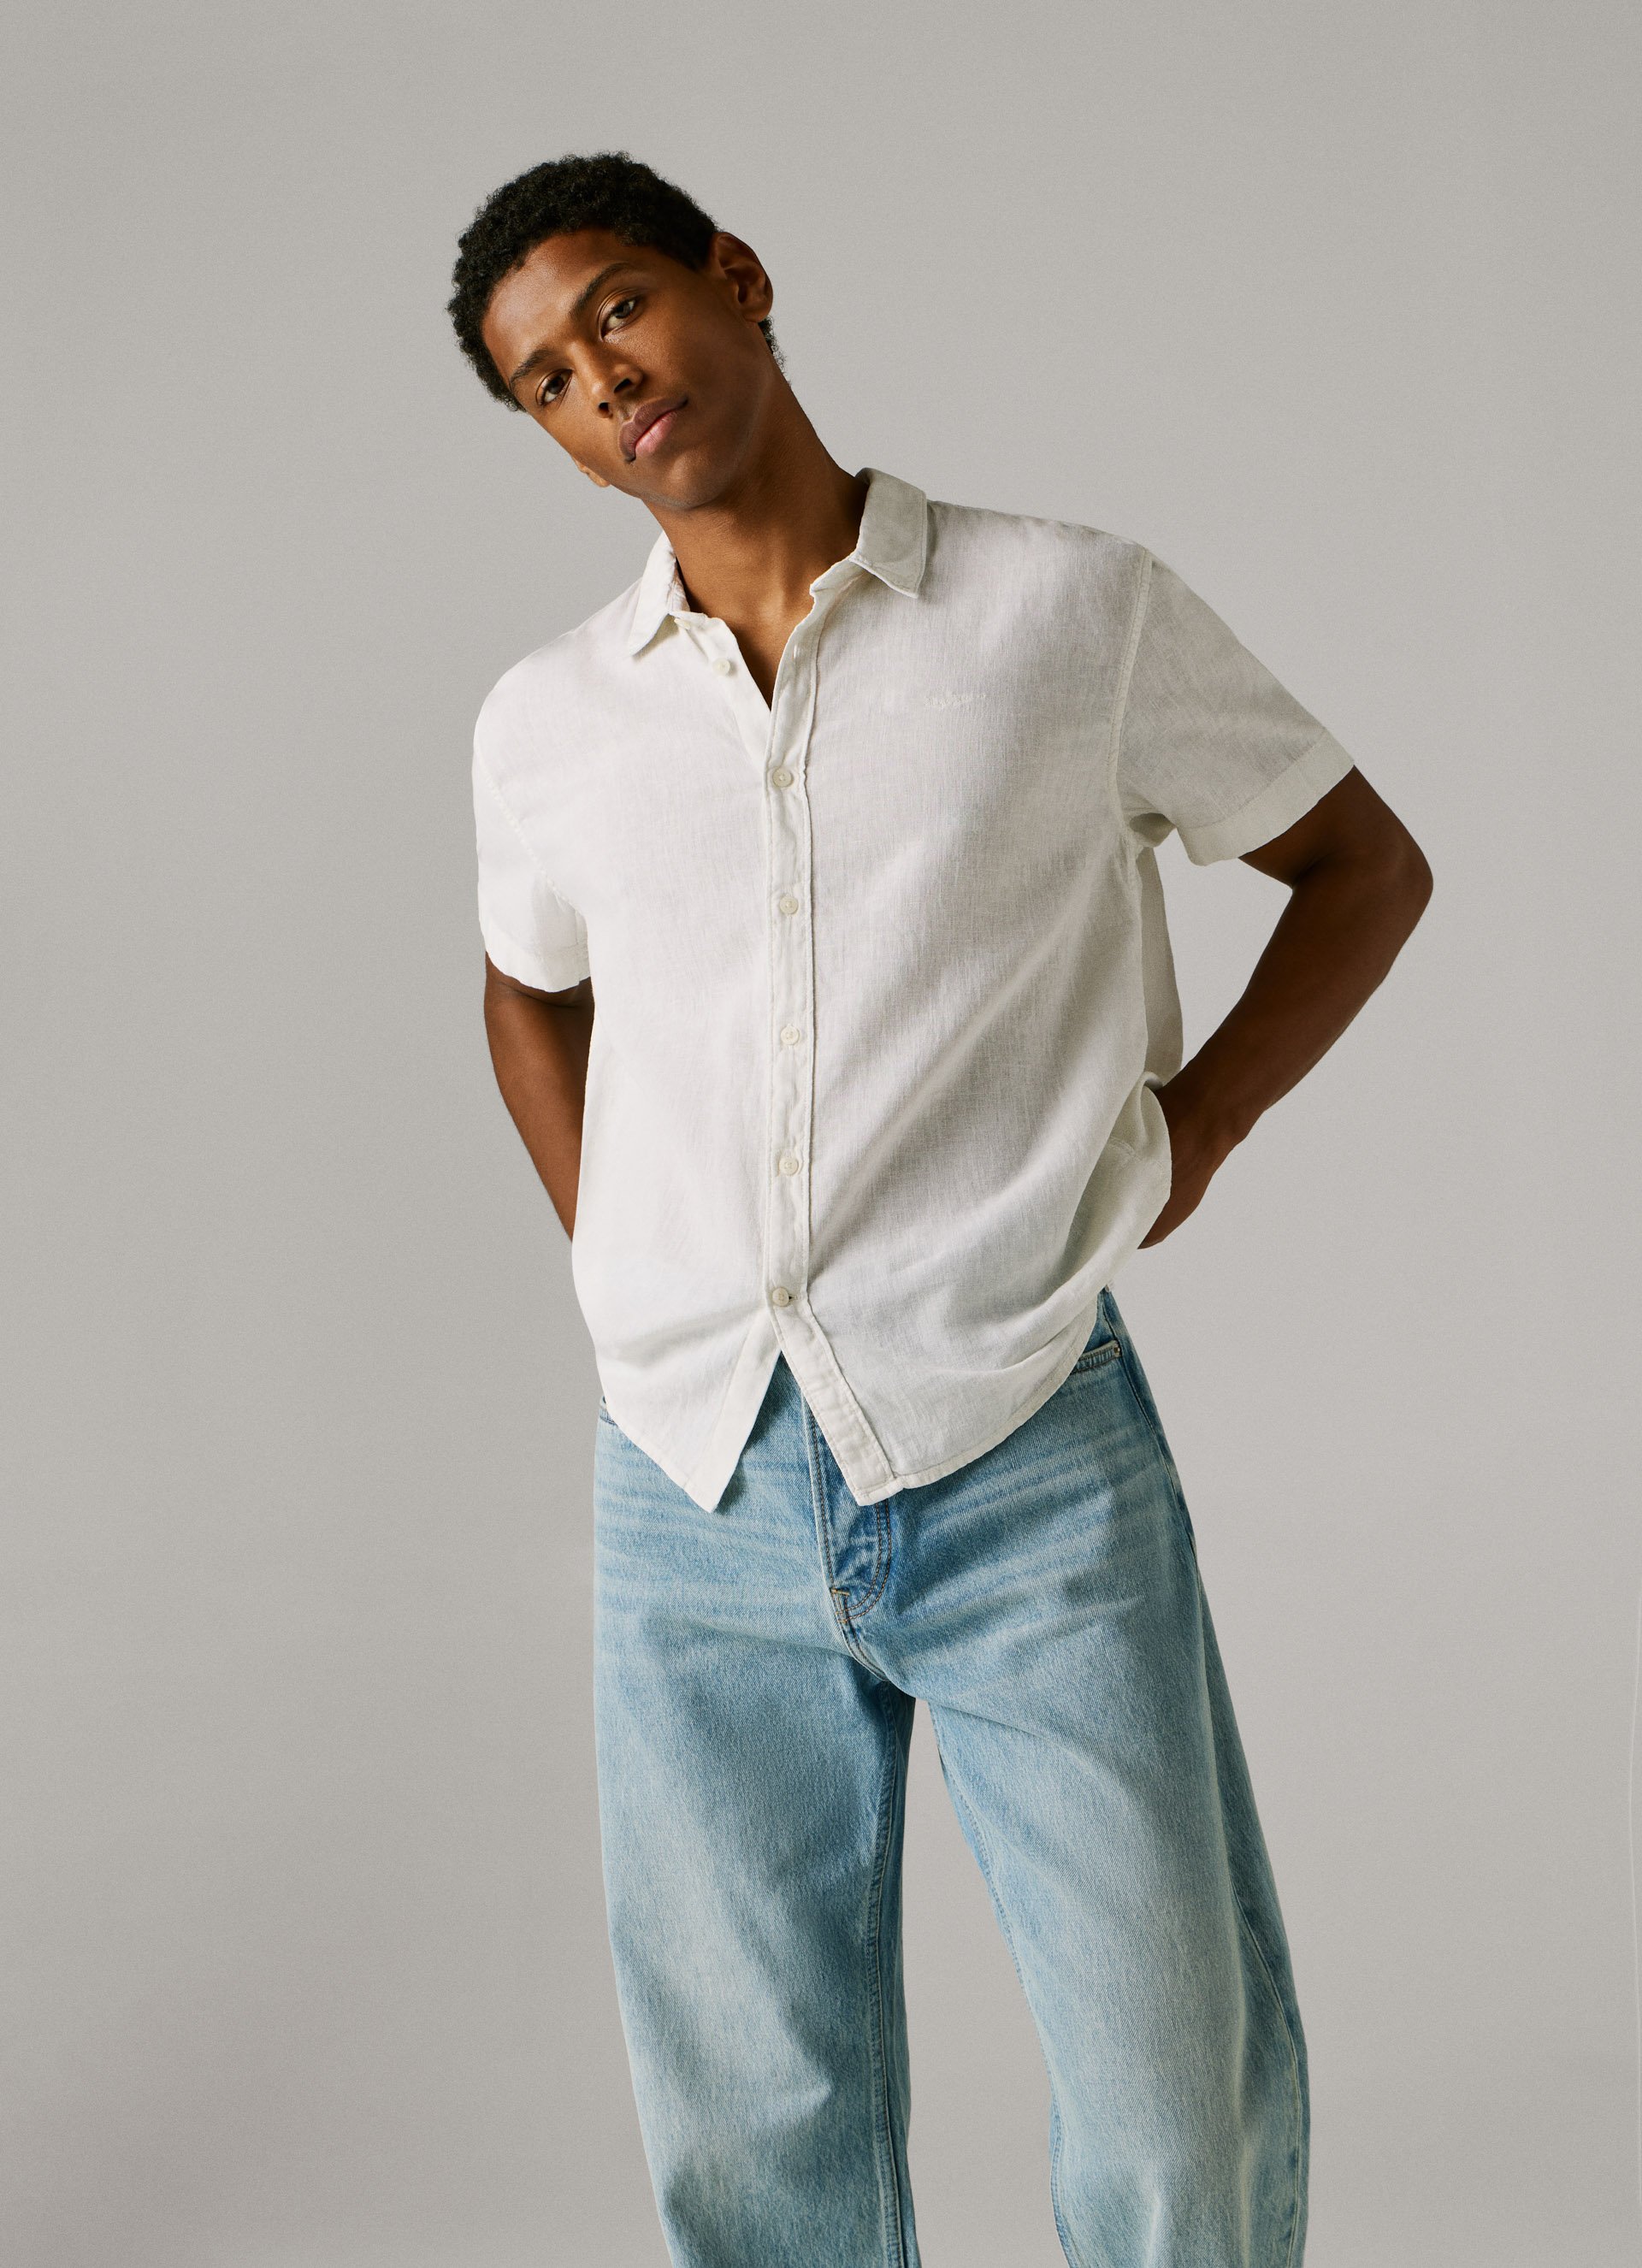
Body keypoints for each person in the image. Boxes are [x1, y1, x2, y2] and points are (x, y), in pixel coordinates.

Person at [446, 150, 1432, 2268]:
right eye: (545, 381)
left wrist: (1201, 1127)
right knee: (757, 2125)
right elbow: (529, 996)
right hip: (690, 1483)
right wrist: (626, 1253)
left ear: (735, 276)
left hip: (1020, 1437)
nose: (602, 381)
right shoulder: (548, 723)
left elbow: (1361, 863)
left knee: (1173, 2090)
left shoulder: (1065, 612)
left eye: (616, 310)